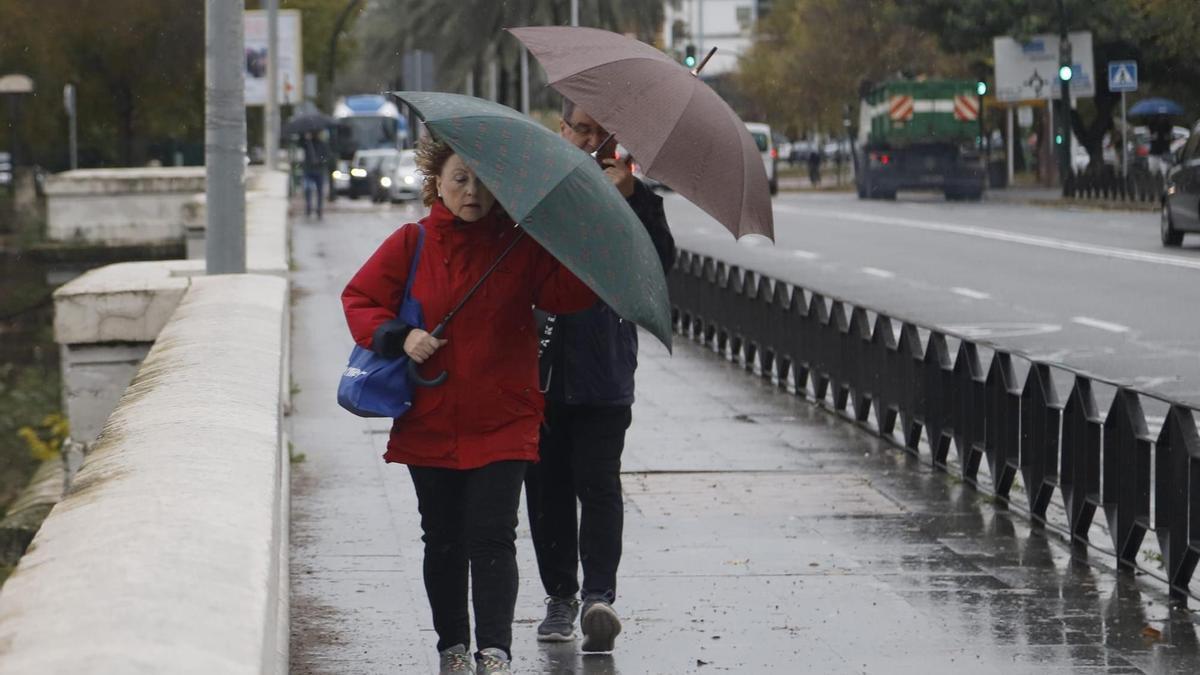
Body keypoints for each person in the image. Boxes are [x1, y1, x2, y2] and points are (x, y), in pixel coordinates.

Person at [342, 136, 596, 675]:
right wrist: (400, 336)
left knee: (493, 535)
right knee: (443, 539)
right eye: (461, 179)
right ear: (437, 181)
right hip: (430, 418)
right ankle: (452, 648)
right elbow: (360, 299)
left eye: (483, 181)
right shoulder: (412, 242)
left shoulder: (520, 245)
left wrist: (572, 233)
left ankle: (496, 651)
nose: (472, 191)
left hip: (505, 417)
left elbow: (571, 295)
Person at [523, 98, 675, 653]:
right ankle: (559, 596)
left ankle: (598, 598)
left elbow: (660, 265)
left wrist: (631, 200)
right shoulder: (536, 188)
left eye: (601, 134)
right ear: (561, 130)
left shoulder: (636, 198)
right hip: (538, 368)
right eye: (580, 129)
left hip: (604, 364)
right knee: (545, 489)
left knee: (600, 484)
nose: (590, 141)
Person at [302, 131, 330, 218]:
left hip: (319, 171)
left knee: (320, 191)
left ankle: (319, 209)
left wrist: (319, 161)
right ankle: (308, 206)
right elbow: (300, 146)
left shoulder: (322, 144)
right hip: (308, 170)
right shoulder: (307, 143)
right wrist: (305, 138)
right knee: (307, 189)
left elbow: (326, 156)